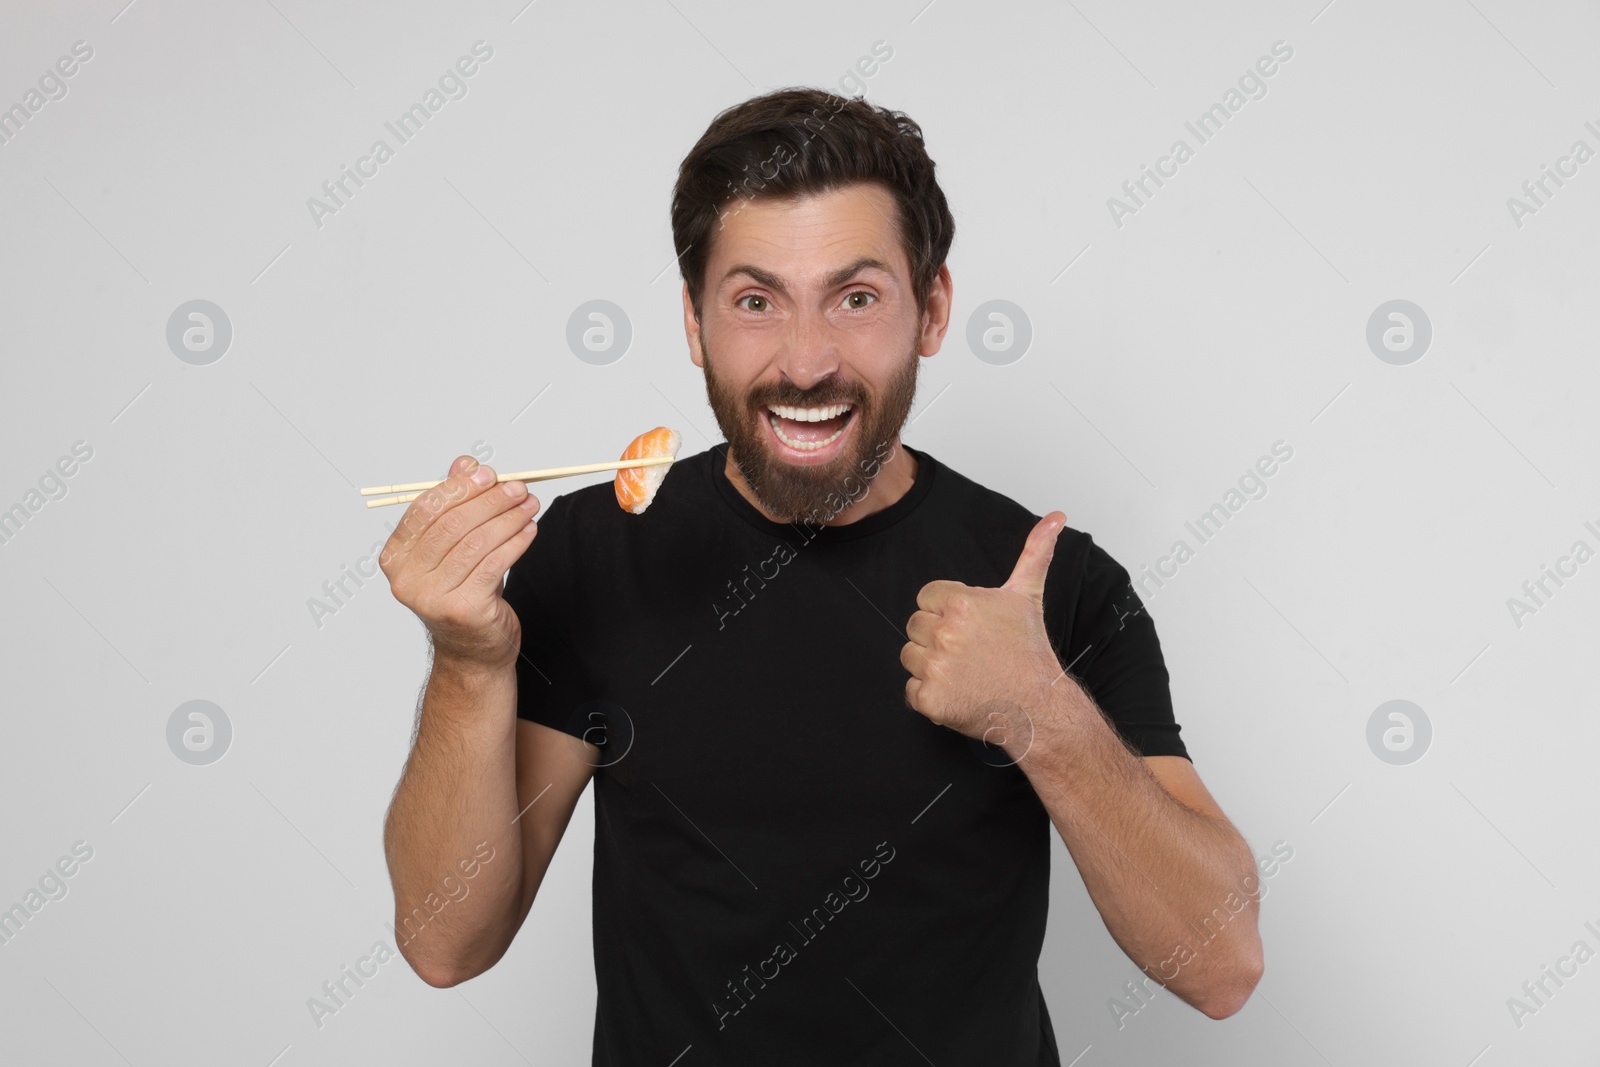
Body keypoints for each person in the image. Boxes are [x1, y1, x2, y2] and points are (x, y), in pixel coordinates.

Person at [379, 86, 1264, 1066]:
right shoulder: (591, 555)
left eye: (855, 298)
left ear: (929, 310)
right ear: (693, 322)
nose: (806, 362)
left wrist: (1041, 715)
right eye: (756, 301)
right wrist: (467, 658)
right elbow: (445, 941)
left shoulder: (1050, 579)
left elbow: (1219, 961)